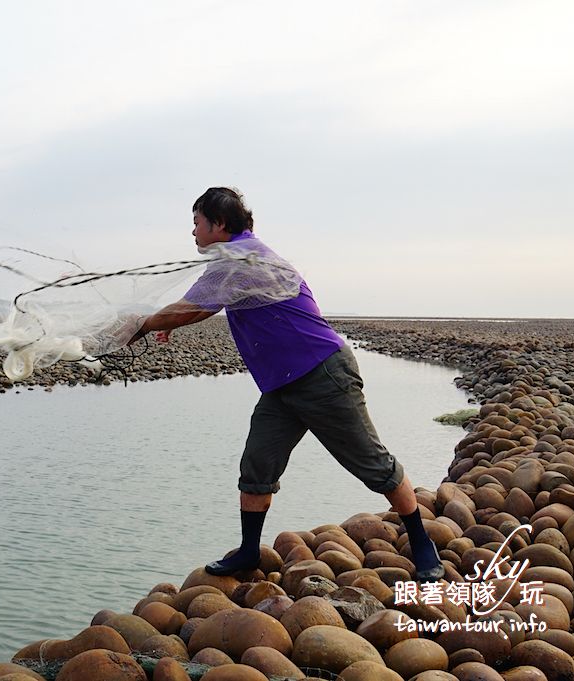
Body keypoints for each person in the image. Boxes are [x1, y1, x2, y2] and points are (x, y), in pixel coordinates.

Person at [127, 187, 444, 583]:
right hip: (281, 386)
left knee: (373, 465)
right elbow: (196, 308)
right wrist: (167, 322)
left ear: (219, 224)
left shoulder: (240, 261)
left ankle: (422, 544)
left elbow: (193, 308)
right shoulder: (236, 259)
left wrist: (141, 325)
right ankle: (247, 552)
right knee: (257, 466)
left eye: (196, 223)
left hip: (322, 374)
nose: (192, 232)